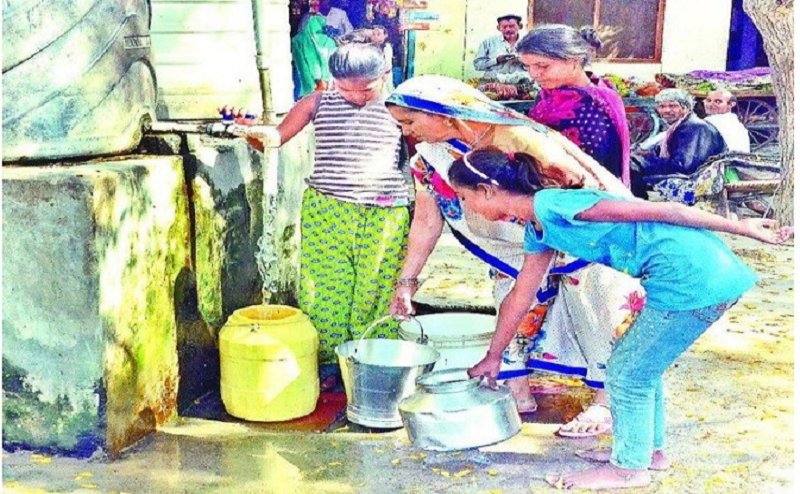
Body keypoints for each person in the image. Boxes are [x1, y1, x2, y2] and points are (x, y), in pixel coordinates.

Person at [449, 148, 791, 490]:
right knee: (640, 366)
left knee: (627, 374)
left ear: (488, 190)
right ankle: (648, 453)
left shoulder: (554, 205)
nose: (467, 207)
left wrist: (742, 227)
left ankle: (629, 469)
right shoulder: (538, 229)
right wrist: (494, 356)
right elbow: (520, 297)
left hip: (692, 278)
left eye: (465, 197)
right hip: (690, 278)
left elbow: (666, 210)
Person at [386, 75, 644, 436]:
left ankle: (608, 398)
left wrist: (549, 237)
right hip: (510, 242)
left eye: (410, 121)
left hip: (578, 232)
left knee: (595, 305)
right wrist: (407, 281)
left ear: (445, 114)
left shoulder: (521, 140)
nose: (407, 132)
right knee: (513, 297)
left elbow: (571, 190)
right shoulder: (429, 157)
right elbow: (427, 221)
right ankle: (515, 385)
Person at [242, 44, 410, 390]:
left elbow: (423, 151)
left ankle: (375, 364)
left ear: (384, 75)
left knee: (377, 290)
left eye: (367, 89)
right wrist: (249, 130)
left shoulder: (401, 107)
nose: (356, 97)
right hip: (327, 210)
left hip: (384, 214)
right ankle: (330, 364)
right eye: (346, 89)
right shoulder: (317, 102)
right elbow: (275, 140)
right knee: (324, 288)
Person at [516, 24, 631, 186]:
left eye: (542, 66)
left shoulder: (594, 109)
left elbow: (589, 173)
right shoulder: (550, 94)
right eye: (527, 66)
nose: (533, 74)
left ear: (574, 60)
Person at [630, 88, 727, 198]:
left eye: (673, 106)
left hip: (696, 181)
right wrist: (642, 155)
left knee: (632, 167)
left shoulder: (695, 127)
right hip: (685, 174)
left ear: (686, 107)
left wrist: (642, 160)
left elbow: (685, 166)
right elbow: (660, 151)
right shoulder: (677, 127)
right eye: (662, 106)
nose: (666, 110)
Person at [473, 15, 531, 83]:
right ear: (498, 28)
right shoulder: (488, 43)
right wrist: (496, 60)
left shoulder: (529, 43)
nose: (508, 29)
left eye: (512, 26)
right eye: (504, 27)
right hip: (493, 83)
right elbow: (477, 65)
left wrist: (524, 61)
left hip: (521, 83)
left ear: (520, 26)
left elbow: (537, 65)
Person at [291, 13, 338, 97]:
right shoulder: (329, 41)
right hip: (326, 82)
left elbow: (299, 63)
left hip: (303, 81)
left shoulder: (297, 40)